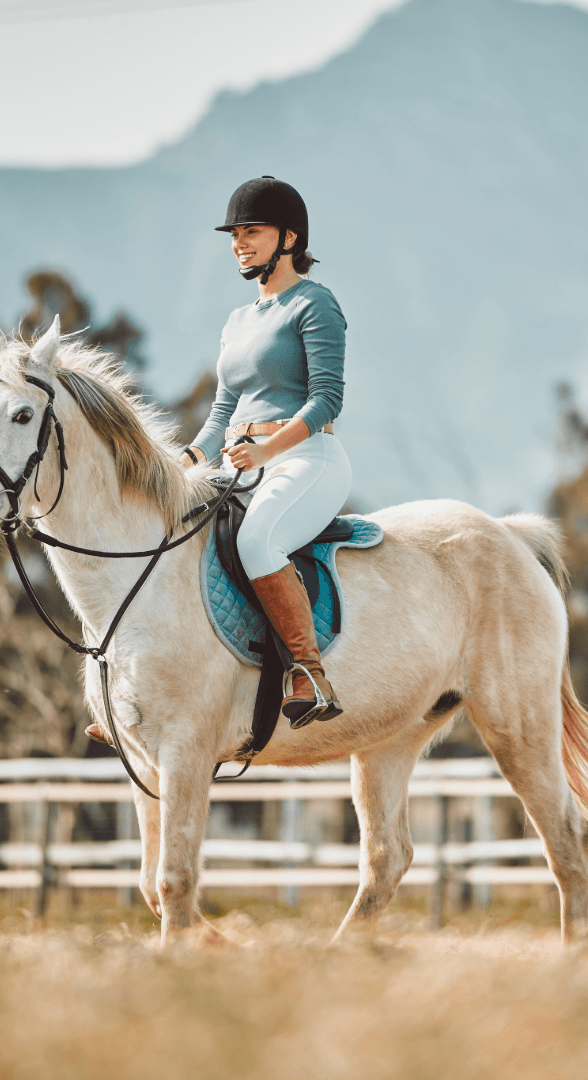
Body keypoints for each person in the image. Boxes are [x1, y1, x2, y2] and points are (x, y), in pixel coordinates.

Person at [182, 176, 352, 728]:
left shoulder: (315, 302)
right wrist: (186, 461)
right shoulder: (236, 322)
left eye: (251, 231)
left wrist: (267, 450)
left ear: (289, 238)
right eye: (235, 234)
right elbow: (220, 413)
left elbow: (327, 399)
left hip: (306, 461)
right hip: (240, 463)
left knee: (257, 539)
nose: (239, 242)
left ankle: (309, 672)